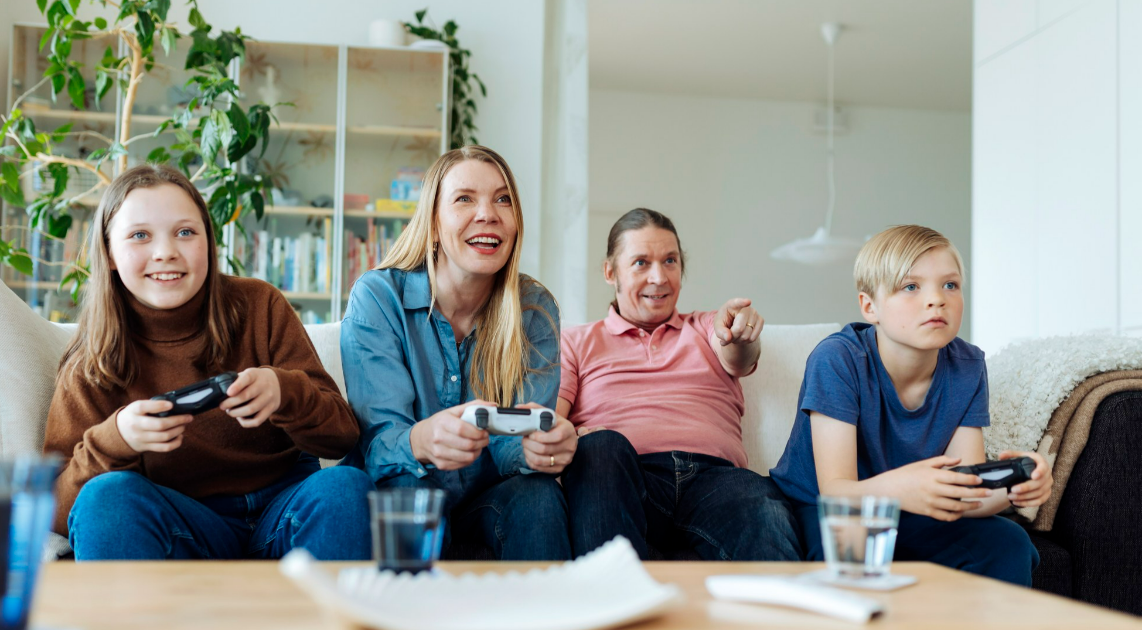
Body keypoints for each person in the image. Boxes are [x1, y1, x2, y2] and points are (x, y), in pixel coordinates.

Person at [44, 164, 372, 561]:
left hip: (284, 512)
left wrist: (284, 391)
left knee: (346, 487)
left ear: (208, 243)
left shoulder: (260, 306)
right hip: (181, 524)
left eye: (185, 232)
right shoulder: (91, 359)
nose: (165, 251)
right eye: (139, 236)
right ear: (110, 252)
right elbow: (56, 511)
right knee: (106, 498)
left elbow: (342, 436)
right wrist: (118, 439)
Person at [769, 224, 1052, 585]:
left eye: (950, 285)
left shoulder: (967, 365)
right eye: (911, 287)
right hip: (829, 508)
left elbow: (965, 493)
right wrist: (901, 489)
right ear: (870, 307)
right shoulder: (837, 358)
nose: (937, 299)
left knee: (1010, 542)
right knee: (850, 553)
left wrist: (1014, 490)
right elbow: (837, 490)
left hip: (912, 509)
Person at [340, 145, 577, 560]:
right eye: (465, 198)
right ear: (433, 223)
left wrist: (539, 447)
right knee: (409, 490)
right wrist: (422, 439)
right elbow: (379, 441)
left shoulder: (535, 311)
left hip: (484, 499)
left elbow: (516, 438)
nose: (488, 213)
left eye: (503, 199)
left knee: (537, 496)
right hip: (402, 488)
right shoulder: (379, 297)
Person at [559, 207, 801, 561]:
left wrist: (740, 334)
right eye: (641, 263)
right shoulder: (575, 341)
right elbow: (549, 422)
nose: (659, 277)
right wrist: (573, 435)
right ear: (611, 272)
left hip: (716, 481)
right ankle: (614, 599)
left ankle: (781, 613)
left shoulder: (706, 326)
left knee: (764, 507)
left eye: (670, 261)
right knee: (599, 448)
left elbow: (738, 354)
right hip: (626, 476)